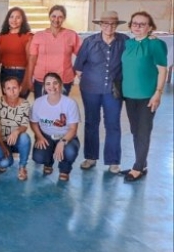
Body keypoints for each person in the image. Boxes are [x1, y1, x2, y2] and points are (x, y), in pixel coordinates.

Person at [74, 10, 129, 174]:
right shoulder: (90, 42)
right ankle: (91, 157)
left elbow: (136, 52)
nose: (109, 27)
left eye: (112, 24)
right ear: (100, 25)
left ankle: (113, 161)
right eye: (105, 24)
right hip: (90, 89)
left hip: (113, 90)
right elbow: (78, 66)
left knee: (113, 123)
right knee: (91, 122)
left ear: (116, 26)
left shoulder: (124, 41)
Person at [120, 11, 168, 183]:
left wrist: (158, 93)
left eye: (142, 24)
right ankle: (141, 163)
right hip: (129, 95)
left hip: (147, 95)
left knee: (143, 130)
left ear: (150, 27)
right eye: (134, 23)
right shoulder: (128, 44)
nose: (138, 27)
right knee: (135, 130)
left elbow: (163, 69)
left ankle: (138, 167)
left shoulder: (156, 44)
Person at [30, 72, 80, 181]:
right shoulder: (38, 102)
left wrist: (63, 142)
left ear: (61, 84)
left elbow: (73, 129)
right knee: (39, 157)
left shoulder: (70, 103)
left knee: (70, 151)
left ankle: (64, 169)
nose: (51, 87)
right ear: (44, 86)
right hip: (46, 135)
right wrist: (39, 137)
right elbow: (33, 123)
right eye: (48, 84)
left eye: (55, 83)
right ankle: (48, 162)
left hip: (65, 136)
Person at [25, 5, 81, 98]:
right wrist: (29, 78)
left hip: (63, 80)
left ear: (64, 18)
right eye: (54, 16)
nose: (56, 19)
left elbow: (82, 55)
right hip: (41, 80)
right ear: (49, 17)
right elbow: (32, 59)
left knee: (60, 110)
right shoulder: (39, 36)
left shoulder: (71, 35)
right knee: (42, 109)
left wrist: (74, 71)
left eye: (60, 17)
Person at [0, 76, 32, 181]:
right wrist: (2, 145)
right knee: (5, 163)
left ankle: (22, 167)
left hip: (17, 140)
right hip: (2, 141)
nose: (12, 91)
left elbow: (24, 125)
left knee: (25, 137)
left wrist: (16, 131)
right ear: (4, 90)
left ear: (20, 88)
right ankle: (3, 160)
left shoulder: (25, 104)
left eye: (14, 88)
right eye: (8, 88)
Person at [0, 7, 33, 96]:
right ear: (8, 19)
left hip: (21, 74)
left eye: (18, 17)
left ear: (23, 20)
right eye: (11, 17)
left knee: (19, 103)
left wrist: (26, 81)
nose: (14, 20)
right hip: (5, 73)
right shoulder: (2, 37)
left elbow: (30, 62)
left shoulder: (28, 37)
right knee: (8, 103)